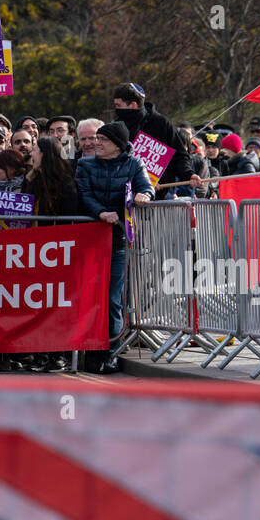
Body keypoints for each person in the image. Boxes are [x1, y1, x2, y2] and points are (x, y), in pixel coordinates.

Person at [75, 121, 152, 374]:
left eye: (102, 140)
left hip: (117, 239)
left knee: (112, 299)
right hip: (89, 237)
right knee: (86, 296)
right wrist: (100, 213)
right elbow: (84, 195)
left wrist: (145, 196)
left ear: (117, 145)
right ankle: (89, 352)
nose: (96, 143)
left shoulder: (134, 163)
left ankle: (111, 352)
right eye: (95, 138)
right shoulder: (85, 164)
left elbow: (146, 186)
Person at [111, 82, 194, 197]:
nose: (116, 110)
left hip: (162, 197)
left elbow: (179, 155)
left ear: (133, 105)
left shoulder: (161, 124)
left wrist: (189, 174)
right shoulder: (116, 127)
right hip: (126, 197)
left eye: (118, 105)